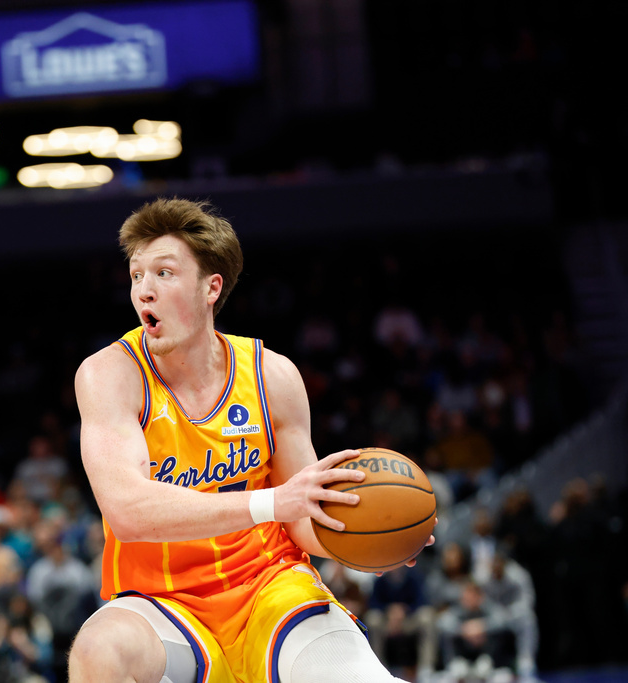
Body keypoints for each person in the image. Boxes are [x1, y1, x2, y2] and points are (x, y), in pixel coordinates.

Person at [68, 198, 432, 682]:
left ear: (210, 287)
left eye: (164, 274)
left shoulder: (272, 376)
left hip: (269, 584)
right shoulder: (109, 375)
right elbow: (127, 511)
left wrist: (368, 535)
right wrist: (272, 502)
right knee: (97, 653)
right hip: (160, 601)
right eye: (137, 276)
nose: (144, 292)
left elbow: (302, 517)